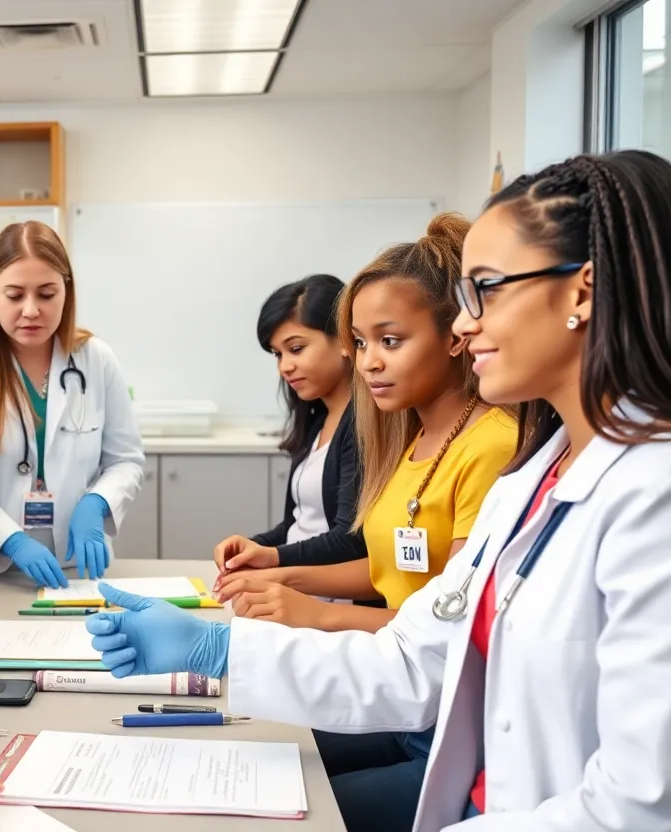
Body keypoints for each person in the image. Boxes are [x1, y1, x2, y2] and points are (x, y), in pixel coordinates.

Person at [86, 149, 671, 832]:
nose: (463, 324)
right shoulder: (532, 482)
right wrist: (217, 650)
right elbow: (415, 660)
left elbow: (639, 802)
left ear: (581, 291)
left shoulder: (650, 498)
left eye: (486, 289)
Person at [208, 215, 519, 832]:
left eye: (390, 341)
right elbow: (388, 569)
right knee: (245, 757)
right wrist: (283, 583)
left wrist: (317, 611)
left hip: (444, 725)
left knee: (270, 812)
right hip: (403, 705)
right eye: (361, 342)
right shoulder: (414, 438)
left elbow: (447, 633)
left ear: (456, 336)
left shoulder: (489, 445)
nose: (368, 363)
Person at [0, 221, 145, 610]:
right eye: (14, 295)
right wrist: (10, 540)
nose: (31, 310)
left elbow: (125, 460)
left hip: (80, 574)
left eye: (47, 294)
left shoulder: (96, 359)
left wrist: (97, 503)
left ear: (66, 293)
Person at [211, 274, 368, 585]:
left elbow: (349, 540)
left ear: (344, 341)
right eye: (278, 354)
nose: (284, 366)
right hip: (299, 591)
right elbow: (296, 525)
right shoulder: (316, 422)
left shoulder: (363, 426)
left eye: (296, 349)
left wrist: (273, 558)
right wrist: (251, 546)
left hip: (328, 600)